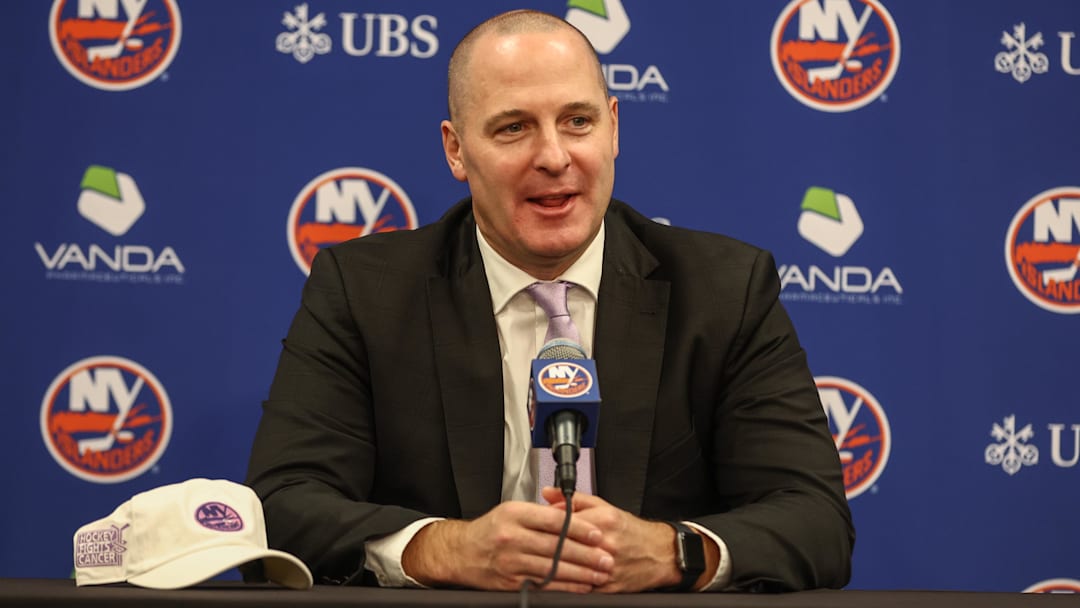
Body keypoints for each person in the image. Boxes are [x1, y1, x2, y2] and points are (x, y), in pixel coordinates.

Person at [245, 9, 853, 593]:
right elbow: (283, 506)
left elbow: (816, 520)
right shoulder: (364, 290)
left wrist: (671, 552)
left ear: (614, 126)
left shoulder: (724, 289)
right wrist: (446, 549)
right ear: (456, 150)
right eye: (514, 128)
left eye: (578, 122)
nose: (555, 157)